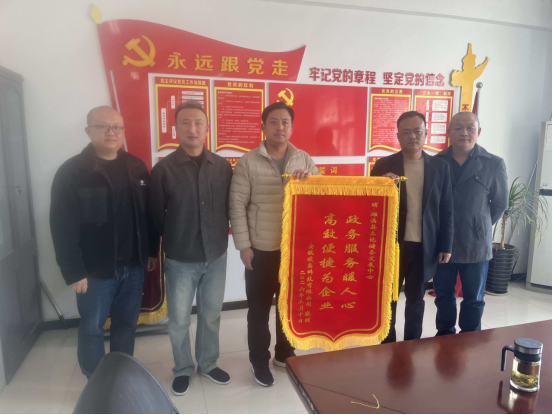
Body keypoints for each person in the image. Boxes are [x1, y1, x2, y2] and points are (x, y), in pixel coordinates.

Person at [50, 106, 159, 379]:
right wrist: (73, 271)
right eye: (103, 126)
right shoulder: (72, 171)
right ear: (88, 131)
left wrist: (149, 251)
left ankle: (120, 375)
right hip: (94, 271)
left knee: (126, 324)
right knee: (92, 328)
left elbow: (146, 215)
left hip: (133, 266)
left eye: (117, 127)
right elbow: (62, 226)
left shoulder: (136, 167)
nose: (112, 132)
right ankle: (96, 380)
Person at [230, 102, 320, 387]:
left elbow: (322, 193)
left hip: (294, 250)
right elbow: (236, 206)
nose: (280, 127)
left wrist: (309, 182)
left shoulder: (303, 158)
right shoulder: (248, 162)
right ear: (263, 126)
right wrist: (244, 246)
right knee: (258, 310)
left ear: (291, 127)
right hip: (261, 249)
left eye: (285, 122)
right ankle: (259, 361)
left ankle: (284, 353)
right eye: (273, 122)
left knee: (288, 306)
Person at [149, 101, 233, 396]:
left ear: (207, 128)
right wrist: (155, 250)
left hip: (216, 255)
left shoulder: (222, 167)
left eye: (198, 123)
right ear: (175, 129)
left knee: (211, 315)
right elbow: (155, 216)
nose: (192, 128)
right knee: (179, 320)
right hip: (180, 259)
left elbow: (230, 207)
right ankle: (183, 368)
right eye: (185, 122)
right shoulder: (163, 170)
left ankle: (208, 364)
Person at [371, 111, 454, 343]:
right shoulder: (383, 165)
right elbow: (370, 205)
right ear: (398, 135)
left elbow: (447, 209)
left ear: (426, 133)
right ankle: (387, 342)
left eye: (417, 131)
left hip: (424, 245)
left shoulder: (440, 167)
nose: (412, 136)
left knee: (416, 299)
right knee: (388, 297)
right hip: (392, 245)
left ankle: (412, 344)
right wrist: (382, 186)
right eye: (406, 132)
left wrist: (446, 245)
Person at [434, 112, 508, 335]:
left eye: (470, 128)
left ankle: (470, 339)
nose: (464, 133)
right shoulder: (436, 161)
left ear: (479, 132)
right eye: (458, 128)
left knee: (474, 298)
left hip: (476, 243)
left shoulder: (493, 163)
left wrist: (480, 225)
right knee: (443, 295)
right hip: (443, 242)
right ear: (449, 132)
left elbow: (500, 203)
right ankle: (445, 335)